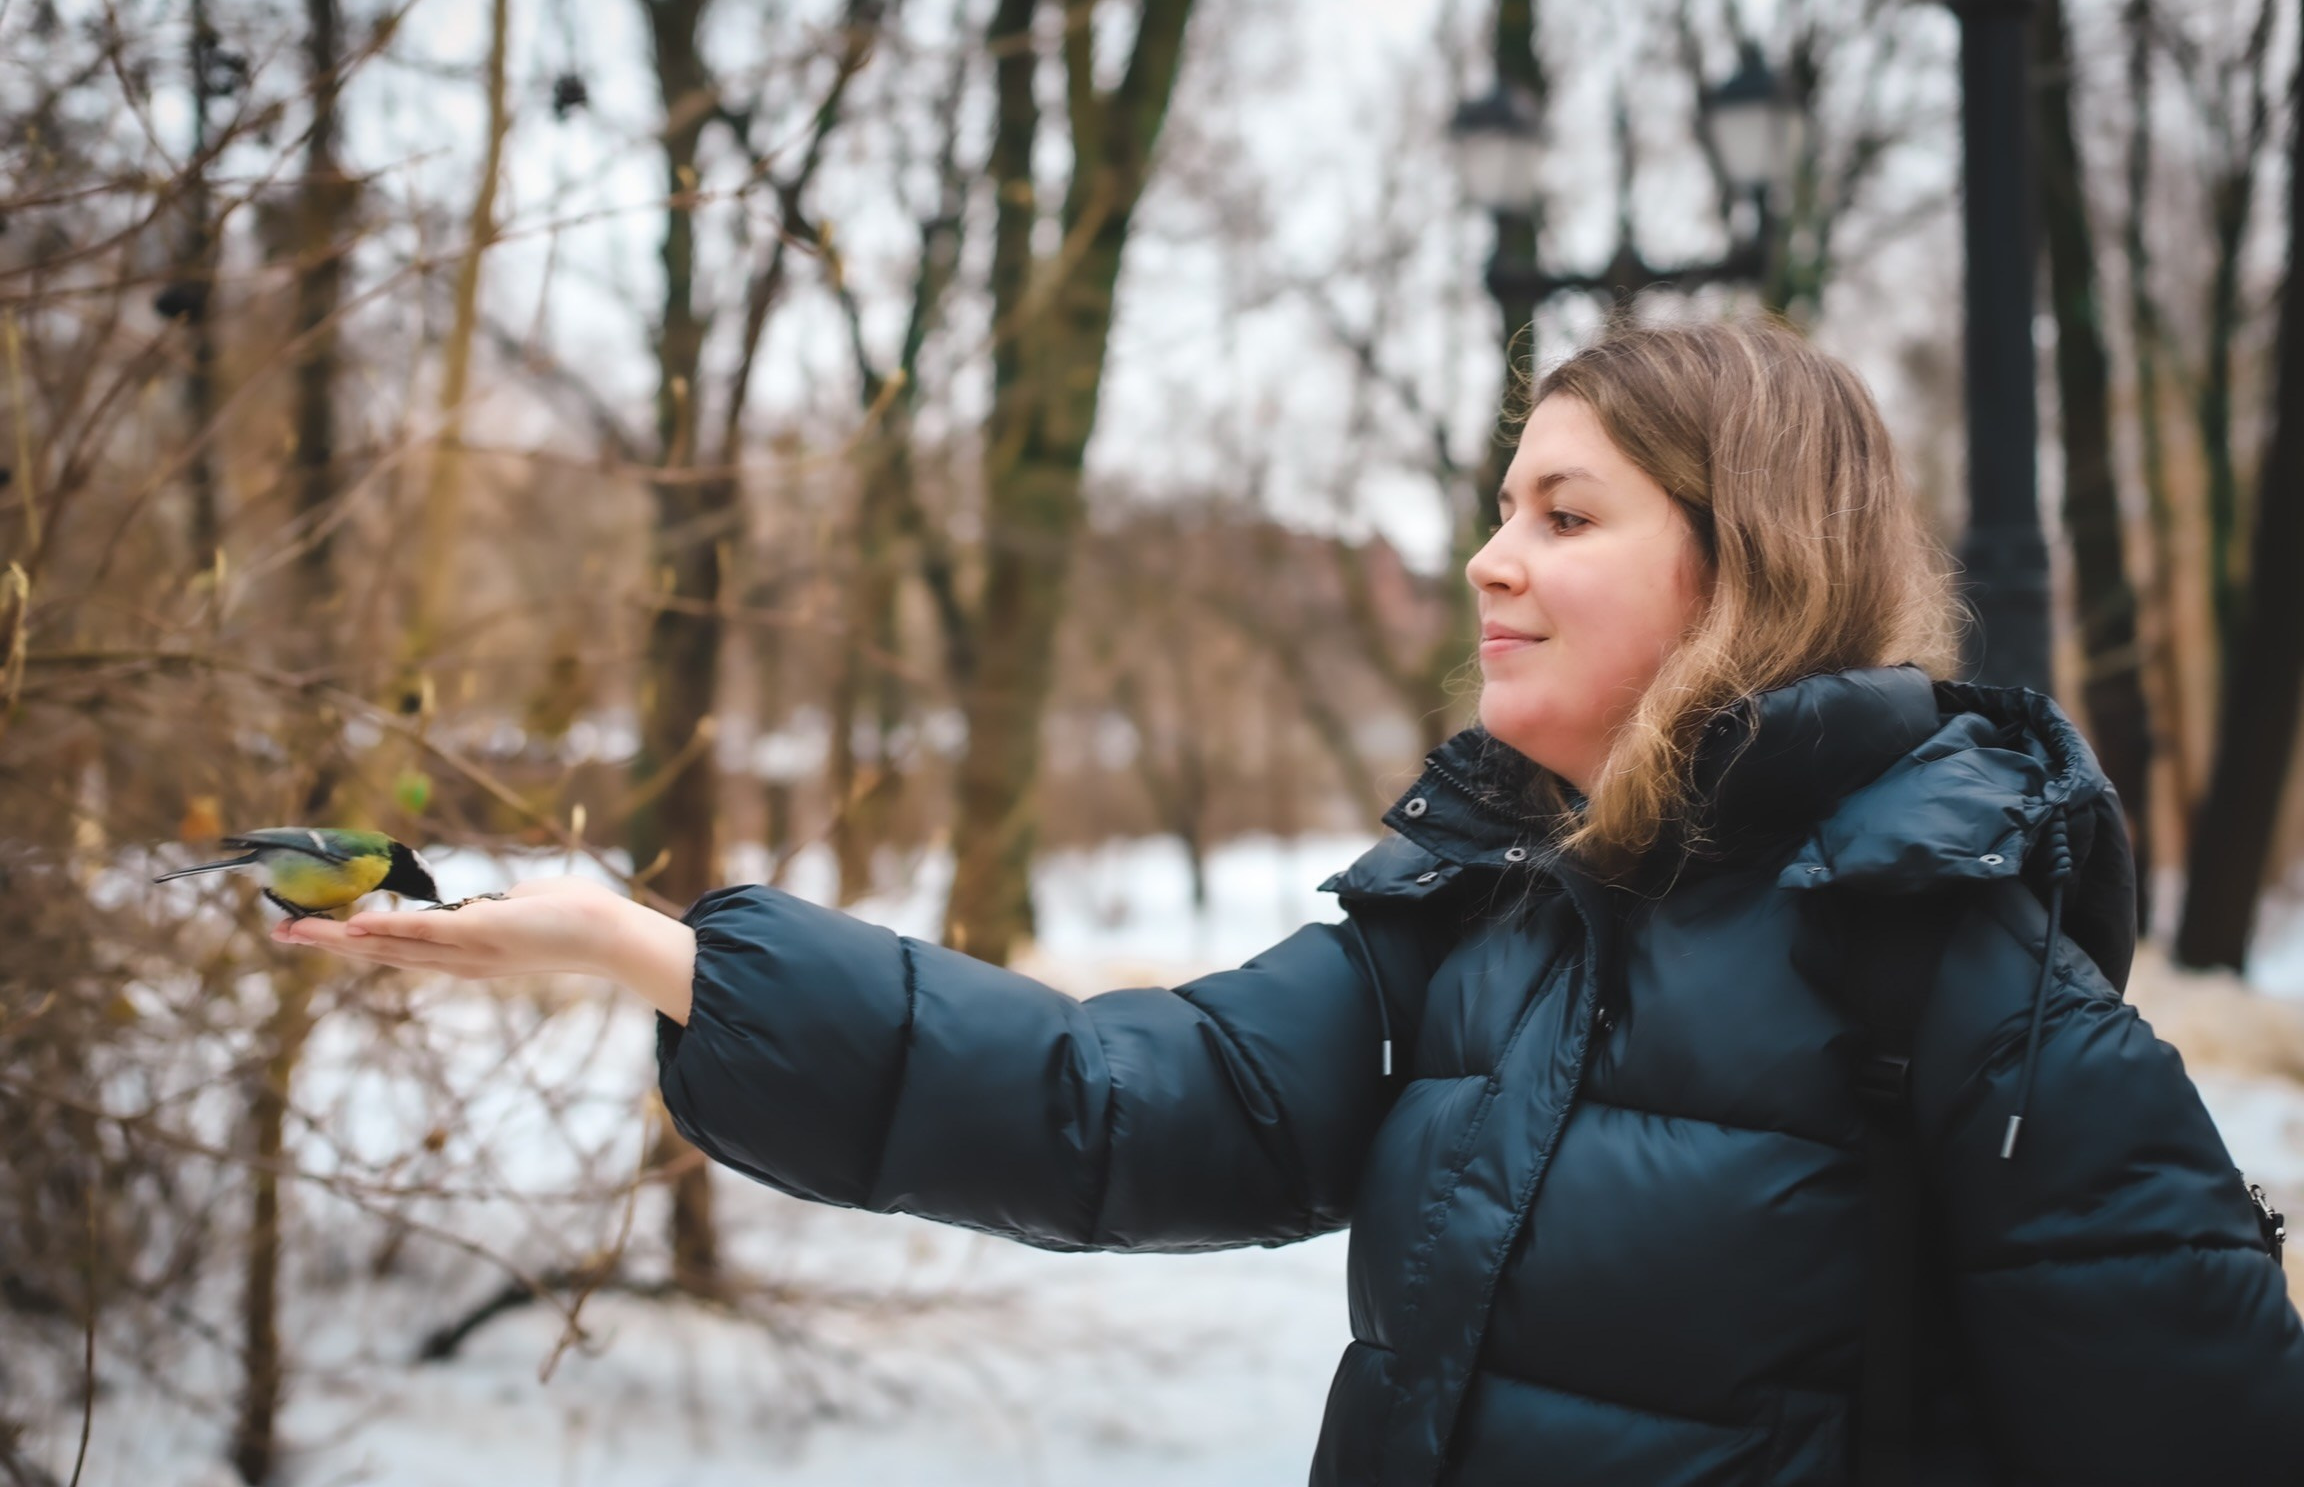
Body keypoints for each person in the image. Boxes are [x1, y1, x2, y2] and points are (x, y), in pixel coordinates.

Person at [281, 319, 2304, 1485]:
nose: (1489, 564)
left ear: (1744, 564)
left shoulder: (1951, 969)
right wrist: (643, 947)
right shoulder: (1485, 918)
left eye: (1563, 512)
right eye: (1500, 507)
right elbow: (1117, 1100)